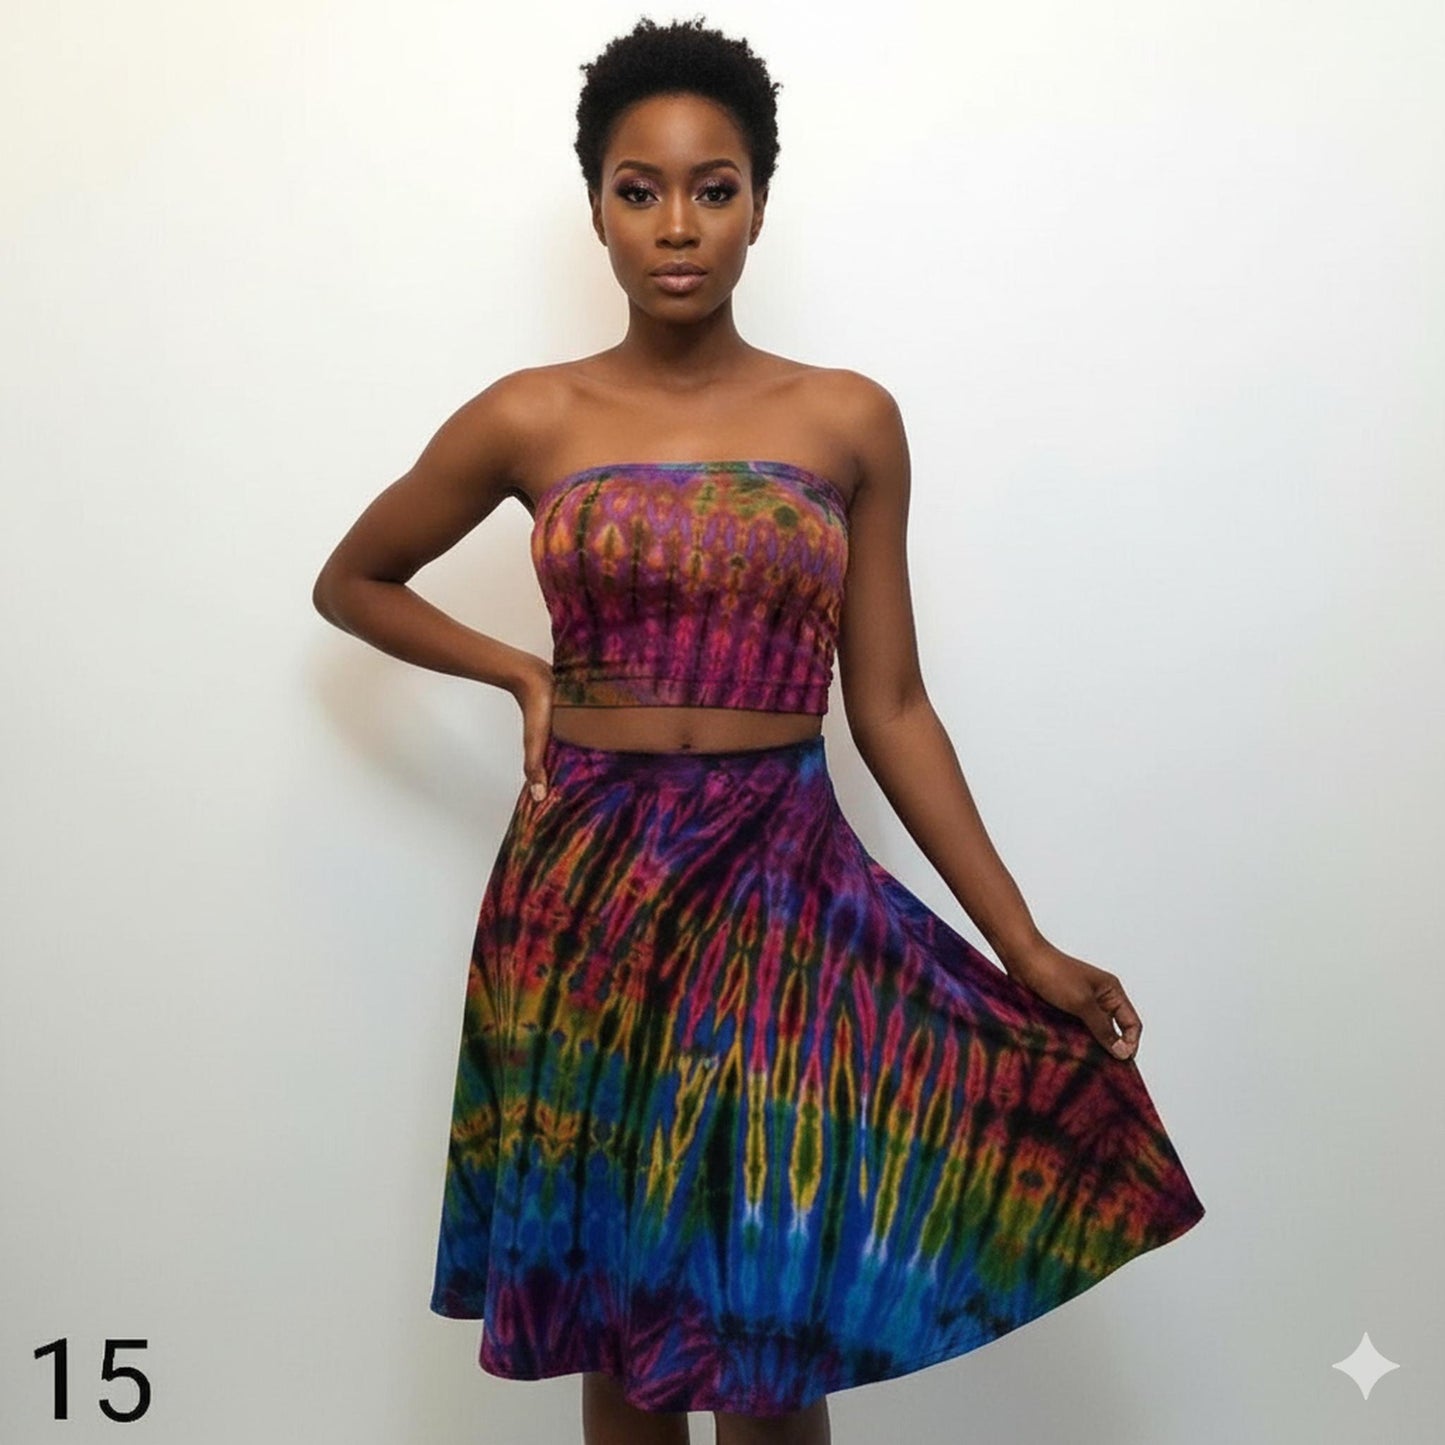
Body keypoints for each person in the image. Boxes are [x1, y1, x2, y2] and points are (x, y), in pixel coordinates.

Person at [311, 16, 1205, 1445]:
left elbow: (891, 704)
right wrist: (521, 677)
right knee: (627, 1321)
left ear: (758, 204)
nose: (677, 225)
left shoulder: (844, 419)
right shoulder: (529, 416)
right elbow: (350, 580)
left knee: (769, 1321)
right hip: (587, 898)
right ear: (595, 205)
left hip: (778, 886)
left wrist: (1021, 941)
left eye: (712, 188)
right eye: (639, 188)